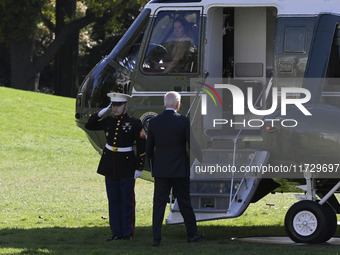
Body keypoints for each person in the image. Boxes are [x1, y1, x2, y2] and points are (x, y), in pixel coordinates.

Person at [85, 92, 146, 241]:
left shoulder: (135, 123)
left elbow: (142, 145)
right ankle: (116, 232)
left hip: (126, 166)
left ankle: (127, 233)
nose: (115, 108)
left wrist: (139, 168)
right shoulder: (108, 121)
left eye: (118, 105)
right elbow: (89, 124)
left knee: (127, 201)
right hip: (110, 165)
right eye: (113, 105)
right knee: (113, 200)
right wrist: (101, 112)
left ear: (126, 105)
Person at [146, 91, 203, 247]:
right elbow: (193, 144)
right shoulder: (183, 121)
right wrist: (202, 159)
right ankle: (192, 234)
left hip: (161, 170)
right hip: (179, 169)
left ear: (165, 103)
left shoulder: (154, 122)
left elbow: (149, 148)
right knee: (185, 202)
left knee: (158, 204)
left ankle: (156, 238)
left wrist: (152, 164)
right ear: (178, 104)